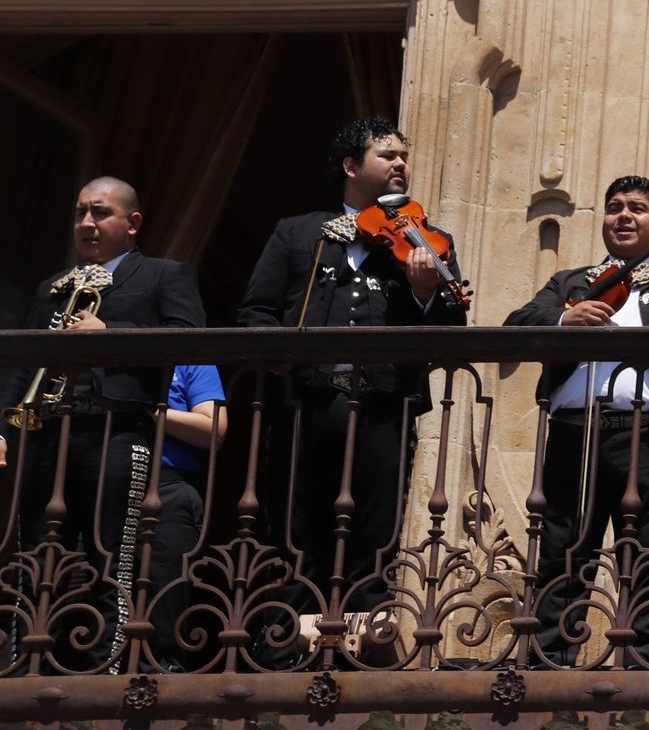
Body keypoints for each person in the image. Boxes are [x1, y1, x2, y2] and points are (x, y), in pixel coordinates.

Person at [238, 118, 466, 662]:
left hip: (385, 402)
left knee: (375, 525)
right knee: (297, 521)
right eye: (387, 155)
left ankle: (367, 644)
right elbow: (256, 312)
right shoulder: (297, 232)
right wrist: (284, 357)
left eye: (404, 156)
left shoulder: (425, 239)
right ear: (350, 166)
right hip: (306, 401)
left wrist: (423, 292)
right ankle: (287, 639)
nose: (400, 165)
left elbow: (451, 330)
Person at [504, 175, 649, 668]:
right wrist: (564, 320)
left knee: (647, 550)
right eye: (615, 207)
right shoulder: (573, 283)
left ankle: (642, 659)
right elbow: (516, 326)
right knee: (563, 546)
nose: (624, 215)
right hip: (573, 431)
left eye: (638, 208)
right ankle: (549, 660)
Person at [3, 176, 204, 672]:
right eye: (79, 214)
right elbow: (24, 364)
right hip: (48, 431)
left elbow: (190, 337)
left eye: (100, 213)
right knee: (37, 556)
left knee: (109, 555)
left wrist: (109, 333)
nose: (87, 224)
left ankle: (101, 670)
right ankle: (28, 664)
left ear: (132, 224)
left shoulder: (163, 275)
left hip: (117, 431)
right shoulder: (54, 286)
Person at [146, 363, 228, 672]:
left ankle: (162, 675)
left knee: (164, 599)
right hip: (106, 475)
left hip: (169, 481)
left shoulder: (193, 361)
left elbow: (214, 429)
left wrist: (153, 413)